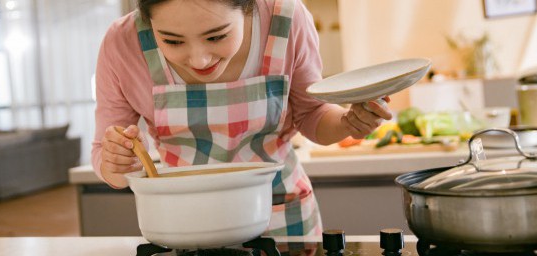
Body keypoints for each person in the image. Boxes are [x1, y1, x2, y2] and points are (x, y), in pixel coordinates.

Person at [92, 0, 392, 236]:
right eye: (172, 41)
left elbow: (312, 116)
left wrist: (348, 123)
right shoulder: (122, 43)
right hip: (183, 223)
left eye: (216, 36)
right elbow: (106, 155)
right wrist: (117, 161)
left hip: (279, 215)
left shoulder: (285, 20)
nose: (199, 59)